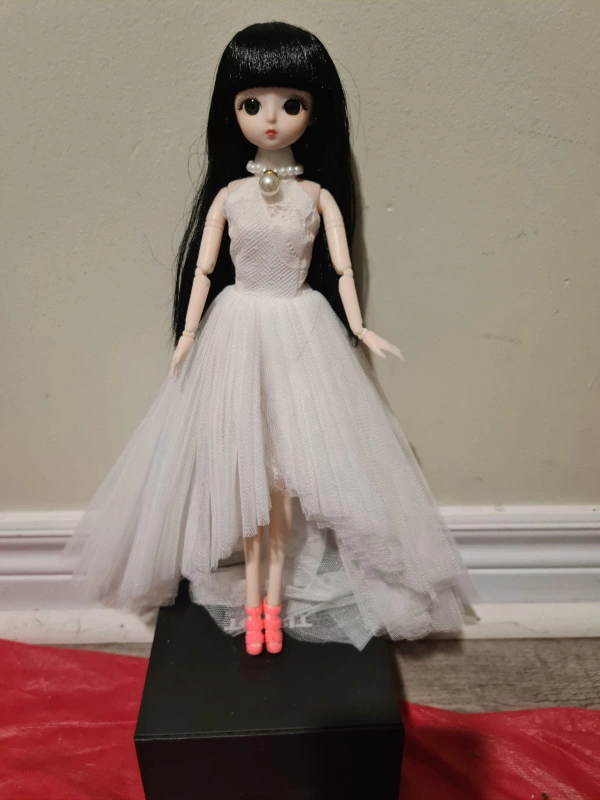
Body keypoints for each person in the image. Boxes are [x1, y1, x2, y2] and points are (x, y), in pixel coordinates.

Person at [62, 21, 478, 656]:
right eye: (252, 103)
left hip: (300, 329)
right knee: (245, 471)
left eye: (293, 104)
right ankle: (254, 600)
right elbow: (205, 270)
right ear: (231, 111)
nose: (273, 119)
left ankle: (271, 607)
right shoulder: (230, 197)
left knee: (284, 483)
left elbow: (341, 269)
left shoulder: (316, 197)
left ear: (315, 111)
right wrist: (189, 332)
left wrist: (360, 326)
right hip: (236, 329)